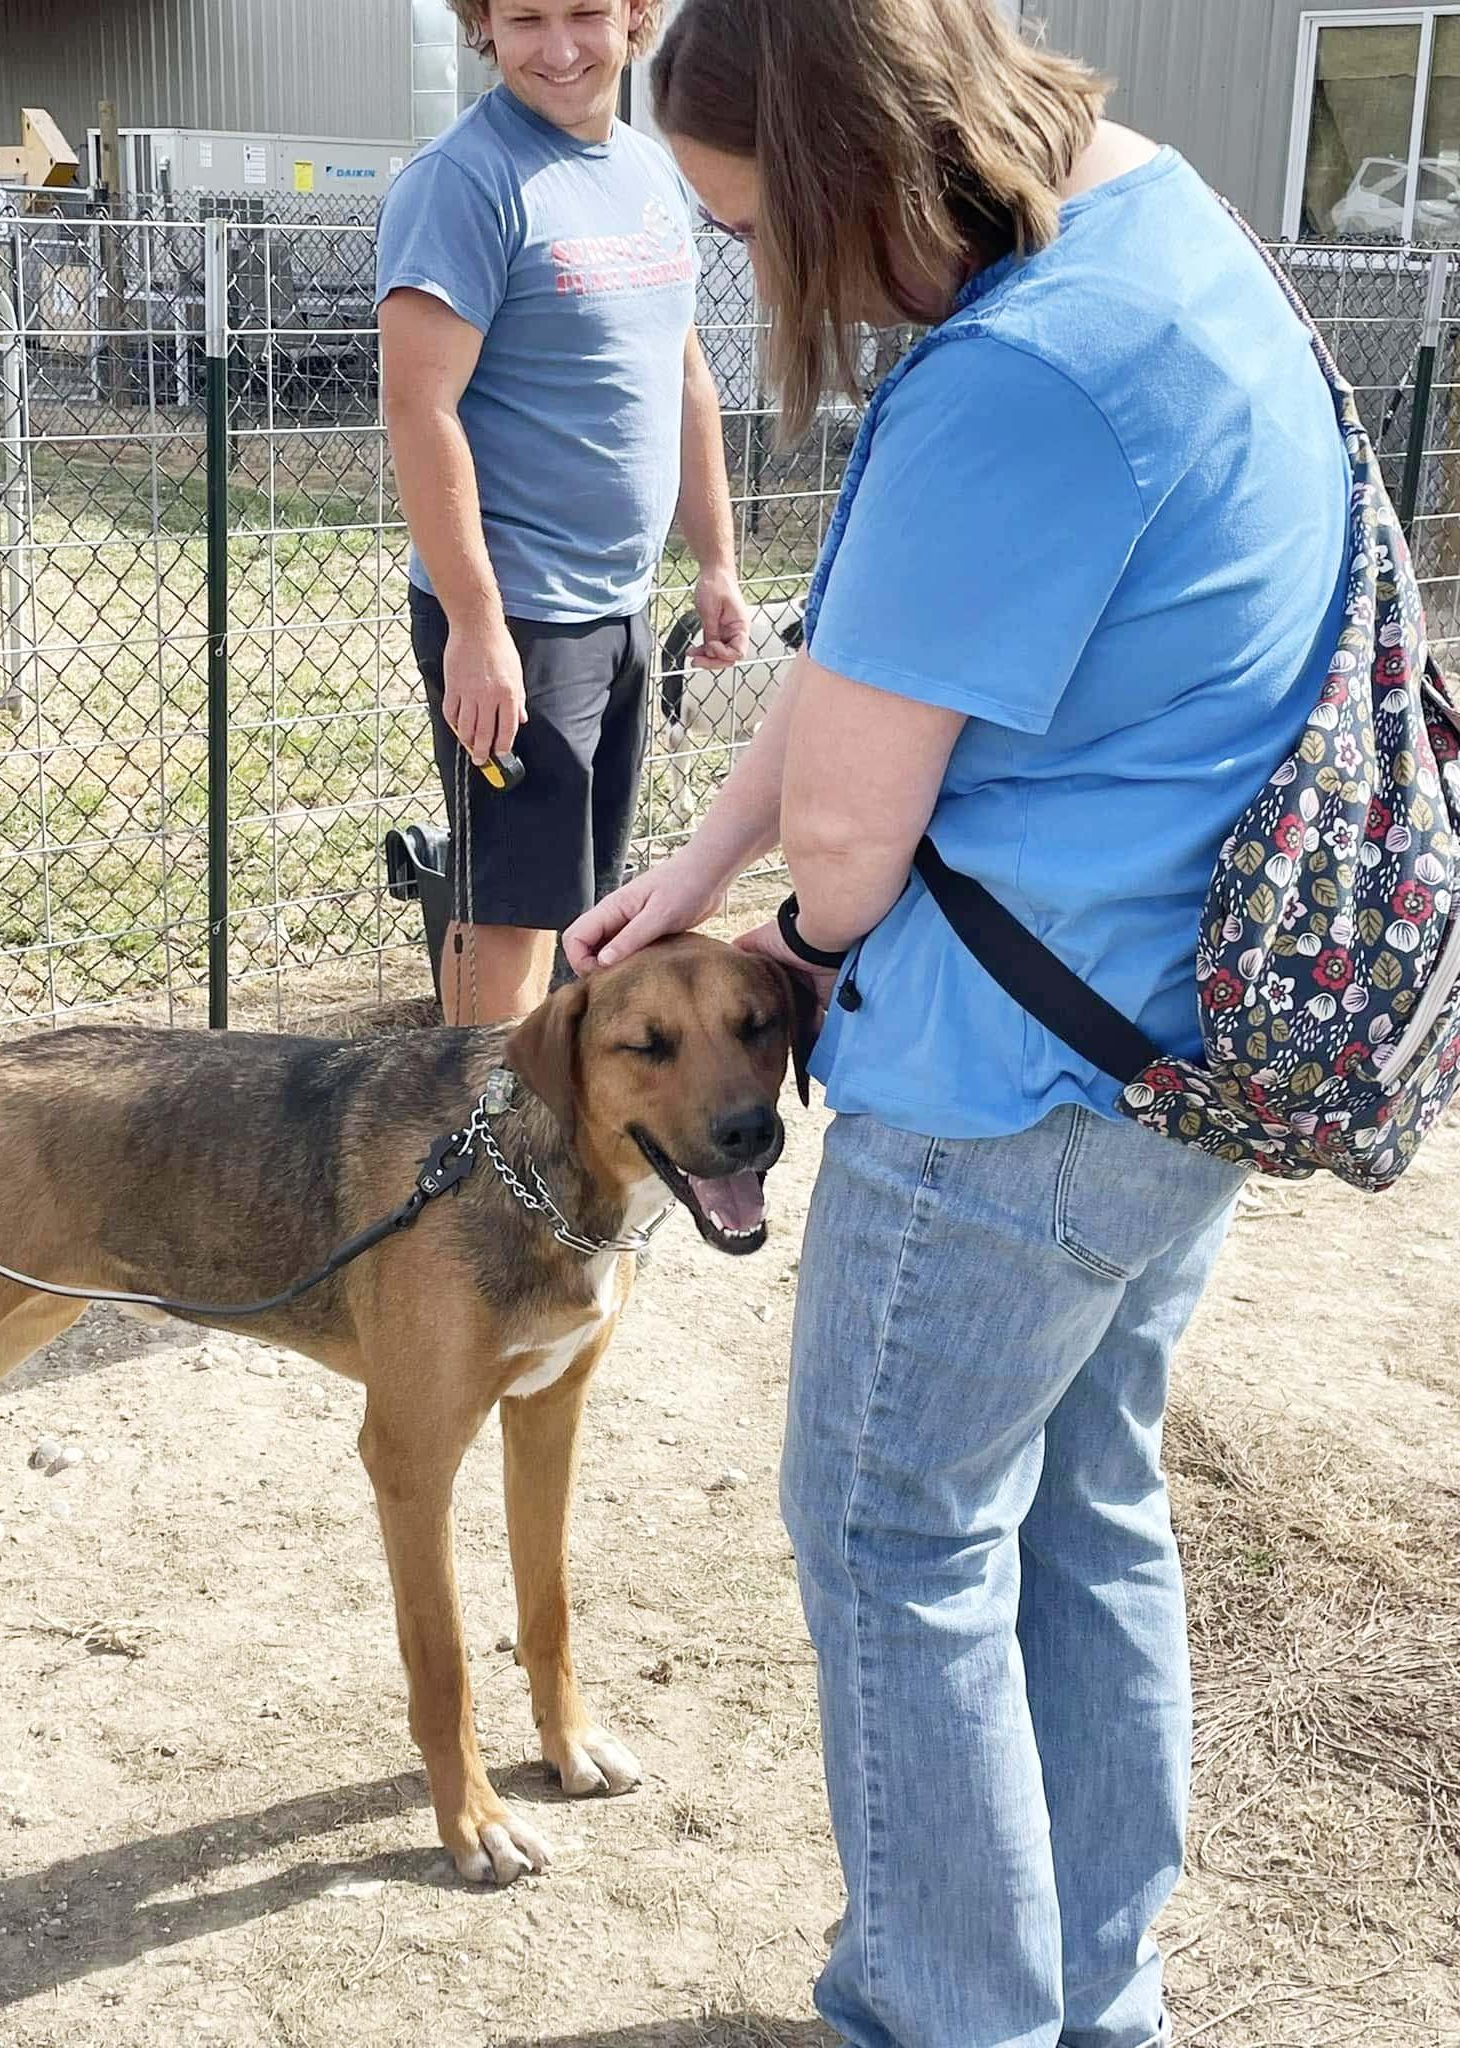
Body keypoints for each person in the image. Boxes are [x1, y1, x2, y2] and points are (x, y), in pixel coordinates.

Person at [565, 3, 1352, 2044]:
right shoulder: (1169, 238)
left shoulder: (1016, 377)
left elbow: (850, 818)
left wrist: (787, 928)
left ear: (844, 181)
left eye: (751, 232)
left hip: (1009, 1093)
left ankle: (949, 2015)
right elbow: (878, 668)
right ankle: (1097, 1999)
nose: (755, 277)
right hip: (1175, 1050)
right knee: (1081, 1513)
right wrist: (696, 865)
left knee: (895, 1532)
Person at [376, 0, 749, 1024]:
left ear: (636, 16)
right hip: (520, 617)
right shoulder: (463, 182)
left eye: (586, 12)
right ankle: (465, 1143)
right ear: (482, 24)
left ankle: (533, 1146)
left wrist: (713, 559)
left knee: (580, 899)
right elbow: (419, 408)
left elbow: (686, 377)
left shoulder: (649, 172)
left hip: (620, 607)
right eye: (526, 17)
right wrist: (476, 626)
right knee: (508, 908)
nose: (560, 47)